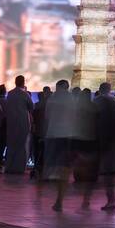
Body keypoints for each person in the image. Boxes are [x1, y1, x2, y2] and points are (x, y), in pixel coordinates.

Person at [41, 80, 75, 211]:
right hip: (67, 135)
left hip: (52, 134)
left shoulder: (52, 98)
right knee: (64, 168)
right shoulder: (71, 99)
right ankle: (59, 198)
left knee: (52, 166)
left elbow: (47, 116)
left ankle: (57, 196)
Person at [93, 81, 115, 210]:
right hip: (113, 137)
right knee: (109, 170)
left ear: (100, 89)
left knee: (104, 170)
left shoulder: (98, 100)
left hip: (101, 136)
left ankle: (110, 200)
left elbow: (93, 117)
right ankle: (111, 199)